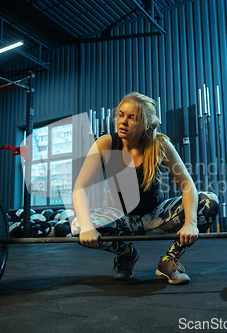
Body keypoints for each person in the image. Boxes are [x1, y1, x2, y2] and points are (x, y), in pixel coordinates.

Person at [71, 92, 219, 285]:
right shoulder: (105, 143)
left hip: (155, 215)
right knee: (77, 225)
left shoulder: (159, 144)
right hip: (121, 217)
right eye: (121, 115)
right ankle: (126, 254)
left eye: (131, 118)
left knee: (210, 201)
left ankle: (168, 261)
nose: (123, 121)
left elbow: (187, 185)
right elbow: (80, 188)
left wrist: (190, 223)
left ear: (146, 123)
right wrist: (88, 227)